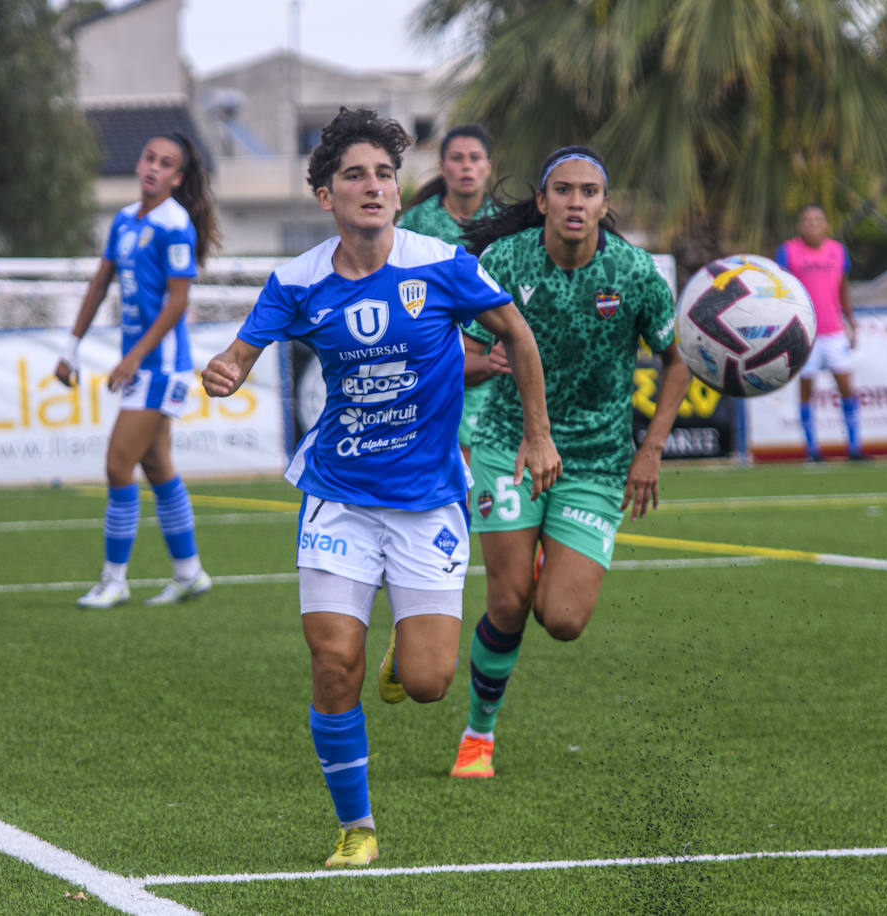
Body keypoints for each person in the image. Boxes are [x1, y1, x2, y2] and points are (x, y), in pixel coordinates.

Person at [202, 108, 559, 867]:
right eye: (355, 176)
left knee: (428, 683)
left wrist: (538, 434)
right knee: (334, 662)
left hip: (429, 500)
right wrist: (224, 371)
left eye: (385, 175)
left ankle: (408, 649)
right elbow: (239, 354)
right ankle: (356, 826)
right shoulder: (297, 280)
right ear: (325, 196)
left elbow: (517, 335)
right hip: (339, 496)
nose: (373, 186)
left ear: (399, 192)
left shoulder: (443, 264)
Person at [448, 146, 690, 780]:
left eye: (588, 192)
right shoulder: (505, 261)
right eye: (563, 190)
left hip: (597, 459)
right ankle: (478, 733)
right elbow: (461, 358)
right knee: (508, 605)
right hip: (510, 444)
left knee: (562, 620)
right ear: (542, 201)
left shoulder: (635, 273)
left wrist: (650, 450)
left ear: (605, 205)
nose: (575, 202)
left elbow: (678, 361)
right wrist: (484, 363)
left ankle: (539, 555)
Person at [56, 132, 221, 609]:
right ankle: (189, 573)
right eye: (150, 158)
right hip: (143, 364)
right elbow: (99, 284)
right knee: (156, 465)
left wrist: (132, 358)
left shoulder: (176, 225)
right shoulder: (125, 220)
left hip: (162, 366)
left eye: (166, 163)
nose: (153, 167)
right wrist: (71, 348)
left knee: (117, 464)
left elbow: (178, 302)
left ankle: (115, 580)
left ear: (178, 178)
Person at [397, 124, 503, 463]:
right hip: (431, 358)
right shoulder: (415, 223)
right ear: (443, 167)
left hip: (491, 359)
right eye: (457, 158)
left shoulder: (505, 223)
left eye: (475, 158)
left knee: (481, 463)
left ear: (488, 167)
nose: (466, 166)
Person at [775, 204, 866, 461]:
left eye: (817, 219)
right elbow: (779, 289)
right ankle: (812, 450)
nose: (812, 223)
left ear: (826, 225)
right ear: (800, 225)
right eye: (807, 219)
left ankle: (854, 447)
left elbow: (843, 288)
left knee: (847, 387)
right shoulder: (788, 251)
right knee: (807, 389)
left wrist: (850, 320)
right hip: (805, 333)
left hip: (834, 331)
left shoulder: (837, 251)